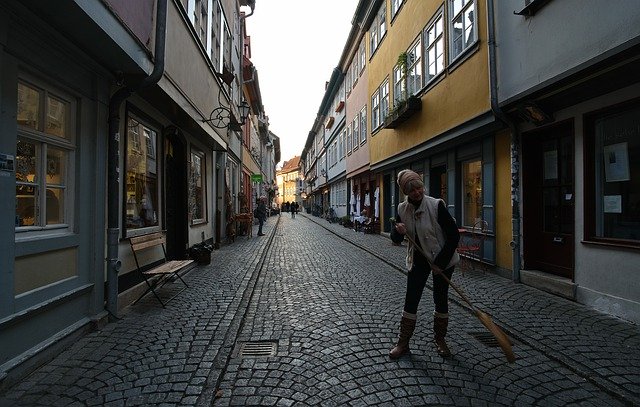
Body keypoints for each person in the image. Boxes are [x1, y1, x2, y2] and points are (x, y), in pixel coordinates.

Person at [389, 169, 460, 359]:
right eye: (412, 190)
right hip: (418, 260)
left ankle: (440, 339)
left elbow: (454, 236)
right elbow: (395, 237)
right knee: (411, 298)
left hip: (441, 258)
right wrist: (399, 231)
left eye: (419, 188)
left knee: (440, 297)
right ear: (406, 192)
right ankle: (403, 343)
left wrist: (440, 263)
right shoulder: (402, 209)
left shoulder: (436, 206)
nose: (417, 193)